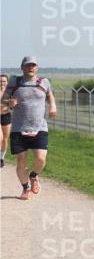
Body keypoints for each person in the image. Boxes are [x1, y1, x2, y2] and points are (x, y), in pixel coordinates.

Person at [2, 56, 57, 200]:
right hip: (19, 129)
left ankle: (33, 175)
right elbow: (3, 100)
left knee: (41, 159)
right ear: (22, 67)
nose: (30, 67)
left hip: (40, 127)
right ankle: (25, 188)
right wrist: (9, 102)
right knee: (21, 161)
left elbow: (50, 95)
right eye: (27, 65)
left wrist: (53, 106)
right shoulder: (15, 81)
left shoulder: (44, 82)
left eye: (33, 65)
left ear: (37, 68)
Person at [0, 74, 10, 167]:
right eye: (0, 81)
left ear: (7, 82)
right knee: (0, 137)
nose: (2, 83)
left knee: (5, 139)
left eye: (4, 81)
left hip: (6, 116)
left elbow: (13, 105)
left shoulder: (9, 93)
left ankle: (1, 158)